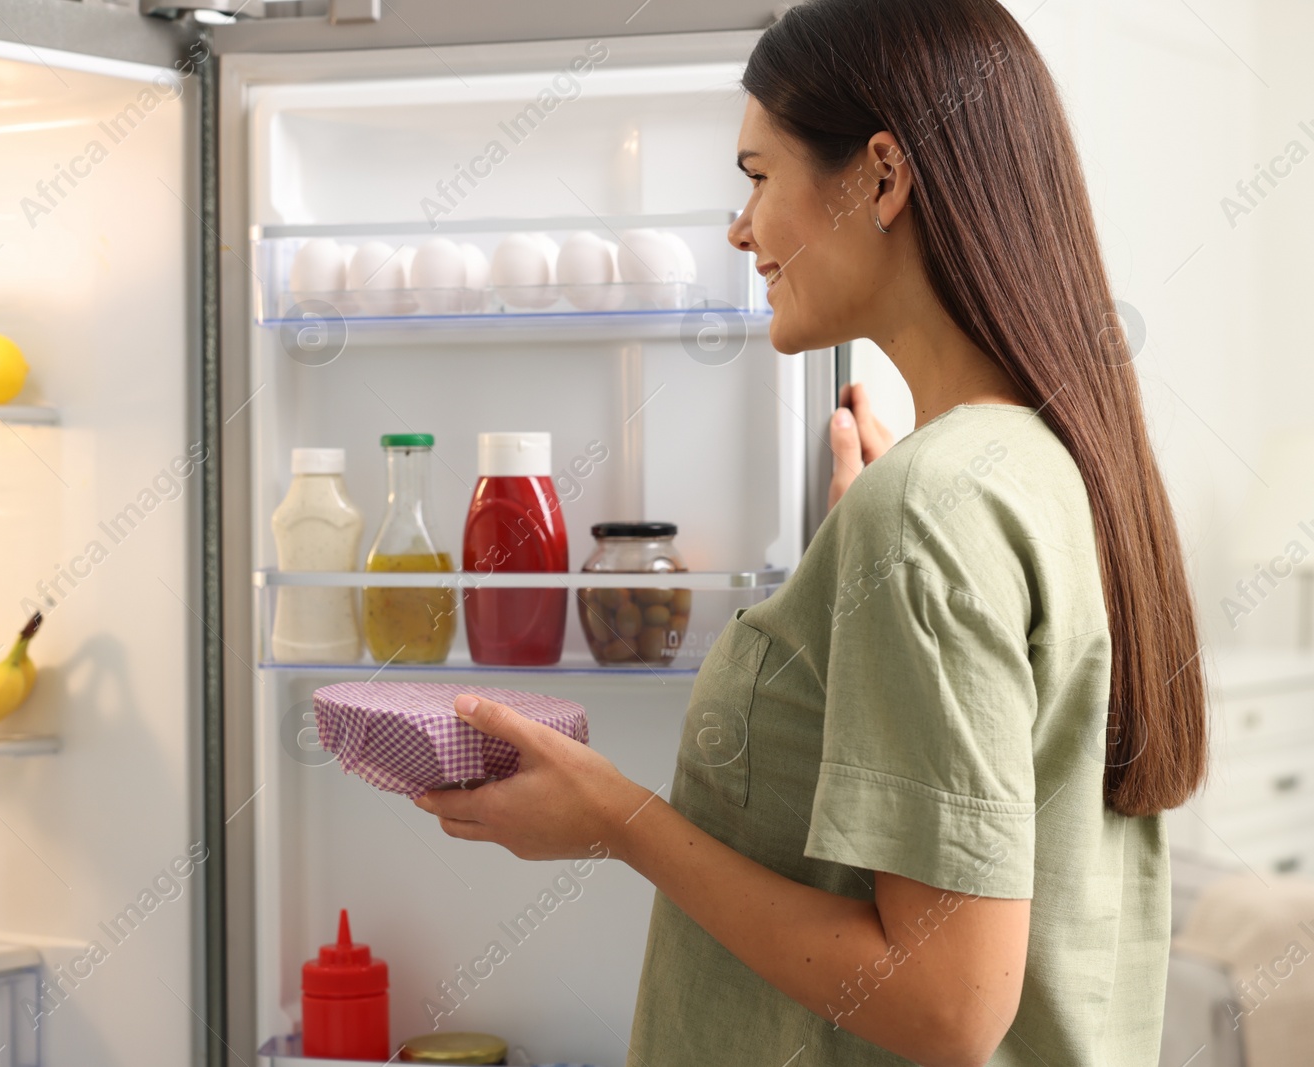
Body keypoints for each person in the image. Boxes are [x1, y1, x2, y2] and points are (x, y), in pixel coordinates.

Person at [414, 0, 1206, 1062]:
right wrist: (871, 569)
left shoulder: (930, 509)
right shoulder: (1046, 465)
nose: (739, 229)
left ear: (882, 176)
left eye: (755, 175)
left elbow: (944, 1002)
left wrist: (617, 820)